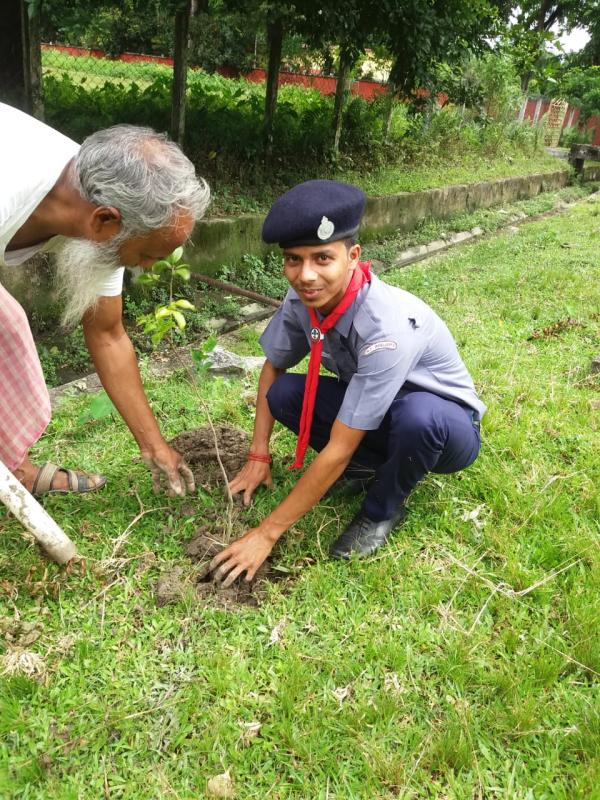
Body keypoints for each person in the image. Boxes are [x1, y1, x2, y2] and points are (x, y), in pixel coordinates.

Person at [210, 179, 485, 584]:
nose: (306, 275)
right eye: (293, 260)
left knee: (419, 416)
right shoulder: (304, 298)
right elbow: (274, 368)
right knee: (284, 394)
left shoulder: (385, 328)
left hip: (446, 430)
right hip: (380, 413)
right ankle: (364, 468)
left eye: (322, 258)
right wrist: (258, 455)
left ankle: (381, 510)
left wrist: (266, 534)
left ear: (352, 256)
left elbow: (340, 443)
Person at [0, 102, 210, 497]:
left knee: (7, 329)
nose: (146, 267)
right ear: (104, 221)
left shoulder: (104, 201)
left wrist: (154, 445)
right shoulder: (9, 186)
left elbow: (108, 334)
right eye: (148, 255)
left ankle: (16, 468)